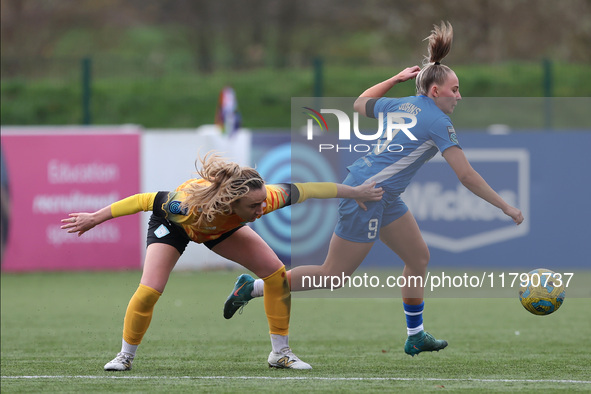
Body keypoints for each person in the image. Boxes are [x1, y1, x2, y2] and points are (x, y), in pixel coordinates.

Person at [223, 21, 524, 356]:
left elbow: (360, 102)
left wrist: (394, 80)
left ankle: (416, 334)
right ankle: (253, 287)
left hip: (383, 196)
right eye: (455, 89)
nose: (459, 96)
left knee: (418, 257)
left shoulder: (402, 105)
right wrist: (505, 206)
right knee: (332, 275)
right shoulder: (439, 122)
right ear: (436, 92)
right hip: (366, 196)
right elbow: (466, 176)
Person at [60, 153, 383, 371]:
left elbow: (313, 189)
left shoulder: (267, 197)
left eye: (261, 203)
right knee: (150, 290)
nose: (261, 211)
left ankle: (280, 354)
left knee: (276, 276)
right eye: (253, 206)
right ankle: (124, 357)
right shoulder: (184, 206)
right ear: (231, 200)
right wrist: (95, 218)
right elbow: (144, 201)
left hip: (220, 230)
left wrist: (354, 192)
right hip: (173, 229)